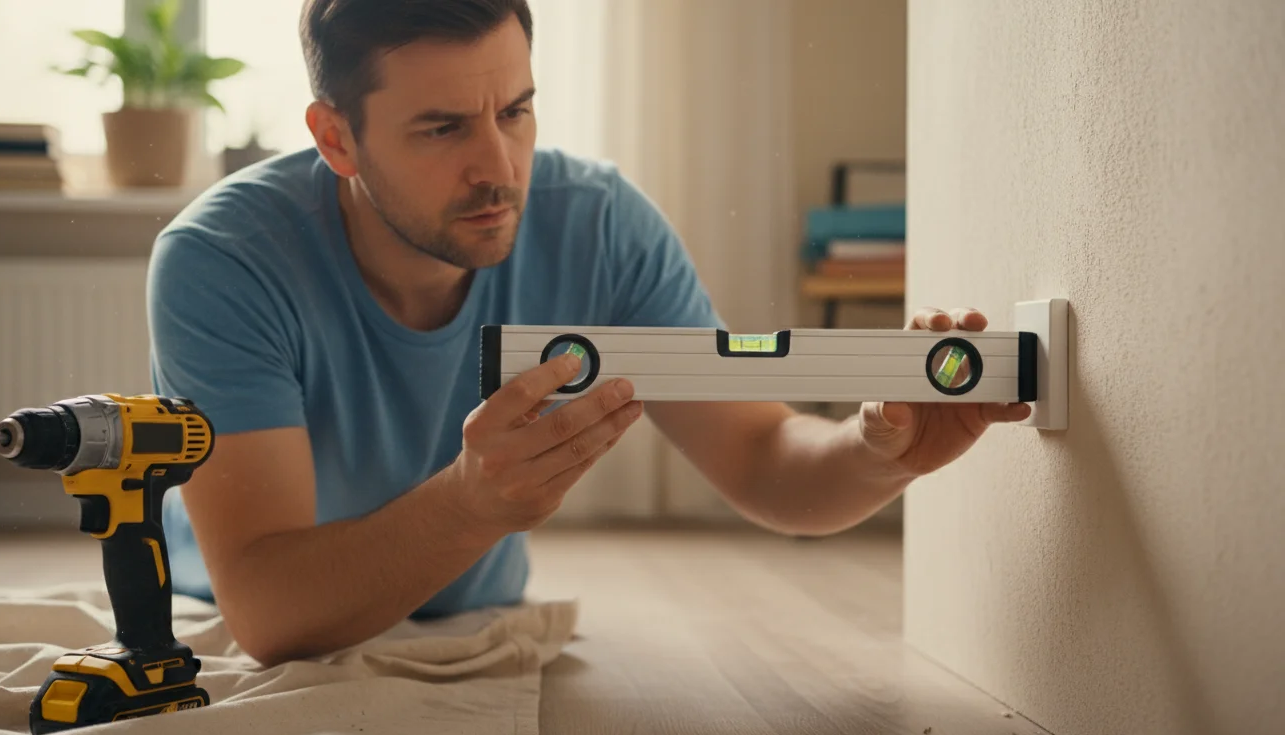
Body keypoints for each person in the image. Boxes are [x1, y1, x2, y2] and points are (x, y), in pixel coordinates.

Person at [146, 0, 1030, 667]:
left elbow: (764, 460)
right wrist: (471, 503)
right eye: (443, 128)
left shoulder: (598, 222)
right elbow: (266, 612)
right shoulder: (221, 261)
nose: (498, 168)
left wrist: (884, 452)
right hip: (229, 615)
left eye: (516, 111)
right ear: (335, 139)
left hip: (471, 617)